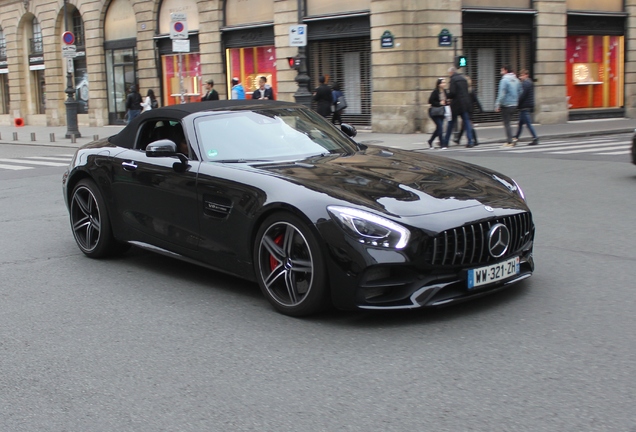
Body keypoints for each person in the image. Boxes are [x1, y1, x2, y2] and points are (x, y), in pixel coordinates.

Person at [443, 66, 475, 149]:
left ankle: (445, 142)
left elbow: (452, 93)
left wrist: (447, 94)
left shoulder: (453, 79)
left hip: (457, 104)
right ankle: (470, 141)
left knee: (451, 123)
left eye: (449, 74)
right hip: (465, 103)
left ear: (451, 72)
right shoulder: (463, 79)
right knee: (466, 122)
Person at [495, 64, 521, 147]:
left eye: (502, 70)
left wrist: (497, 104)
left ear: (506, 70)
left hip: (506, 104)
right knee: (509, 122)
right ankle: (511, 138)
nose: (501, 72)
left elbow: (501, 93)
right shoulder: (516, 80)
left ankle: (510, 141)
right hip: (514, 104)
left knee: (507, 123)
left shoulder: (504, 80)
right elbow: (520, 91)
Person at [454, 76, 482, 146]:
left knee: (468, 125)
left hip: (468, 109)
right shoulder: (470, 90)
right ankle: (458, 139)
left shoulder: (467, 91)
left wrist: (480, 107)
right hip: (470, 109)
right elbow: (476, 100)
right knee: (465, 125)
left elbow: (475, 100)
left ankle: (475, 140)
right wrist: (480, 108)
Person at [514, 69, 539, 145]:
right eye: (520, 75)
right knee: (521, 124)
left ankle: (535, 138)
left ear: (526, 75)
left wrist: (517, 103)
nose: (520, 77)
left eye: (522, 75)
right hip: (525, 106)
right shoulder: (528, 83)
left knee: (528, 124)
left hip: (524, 106)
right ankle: (516, 137)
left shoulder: (526, 83)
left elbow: (522, 95)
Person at [427, 78, 448, 149]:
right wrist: (439, 103)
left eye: (445, 82)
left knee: (439, 128)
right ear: (439, 84)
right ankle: (442, 144)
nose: (444, 84)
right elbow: (430, 101)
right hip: (435, 112)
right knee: (440, 127)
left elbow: (446, 100)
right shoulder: (435, 92)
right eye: (443, 83)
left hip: (442, 112)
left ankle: (430, 141)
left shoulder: (445, 91)